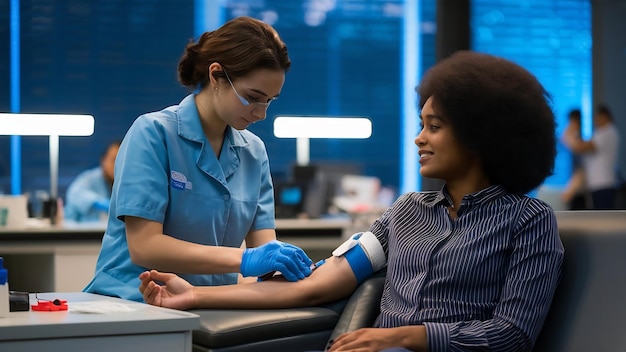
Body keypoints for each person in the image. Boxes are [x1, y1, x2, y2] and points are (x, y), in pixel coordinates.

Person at [139, 51, 564, 352]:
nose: (419, 138)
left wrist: (404, 337)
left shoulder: (528, 222)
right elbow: (316, 286)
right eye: (422, 124)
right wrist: (193, 296)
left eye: (434, 127)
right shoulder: (406, 213)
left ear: (481, 135)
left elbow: (511, 335)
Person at [84, 16, 313, 302]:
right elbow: (144, 246)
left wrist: (290, 268)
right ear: (216, 75)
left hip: (209, 302)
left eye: (269, 100)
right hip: (133, 300)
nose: (261, 113)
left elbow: (264, 251)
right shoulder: (154, 134)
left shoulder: (254, 152)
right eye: (252, 97)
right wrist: (243, 260)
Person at [563, 104, 620, 209]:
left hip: (603, 184)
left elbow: (580, 147)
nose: (595, 121)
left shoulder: (606, 131)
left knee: (603, 219)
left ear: (605, 116)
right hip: (598, 184)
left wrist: (568, 134)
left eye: (597, 117)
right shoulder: (605, 133)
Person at [64, 140, 121, 222]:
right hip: (79, 231)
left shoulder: (125, 183)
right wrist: (99, 203)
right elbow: (74, 194)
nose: (117, 166)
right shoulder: (90, 178)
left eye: (122, 162)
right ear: (103, 160)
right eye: (114, 160)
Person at [559, 109, 587, 210]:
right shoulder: (578, 138)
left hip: (577, 186)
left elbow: (580, 169)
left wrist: (572, 188)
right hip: (575, 184)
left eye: (571, 122)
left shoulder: (578, 142)